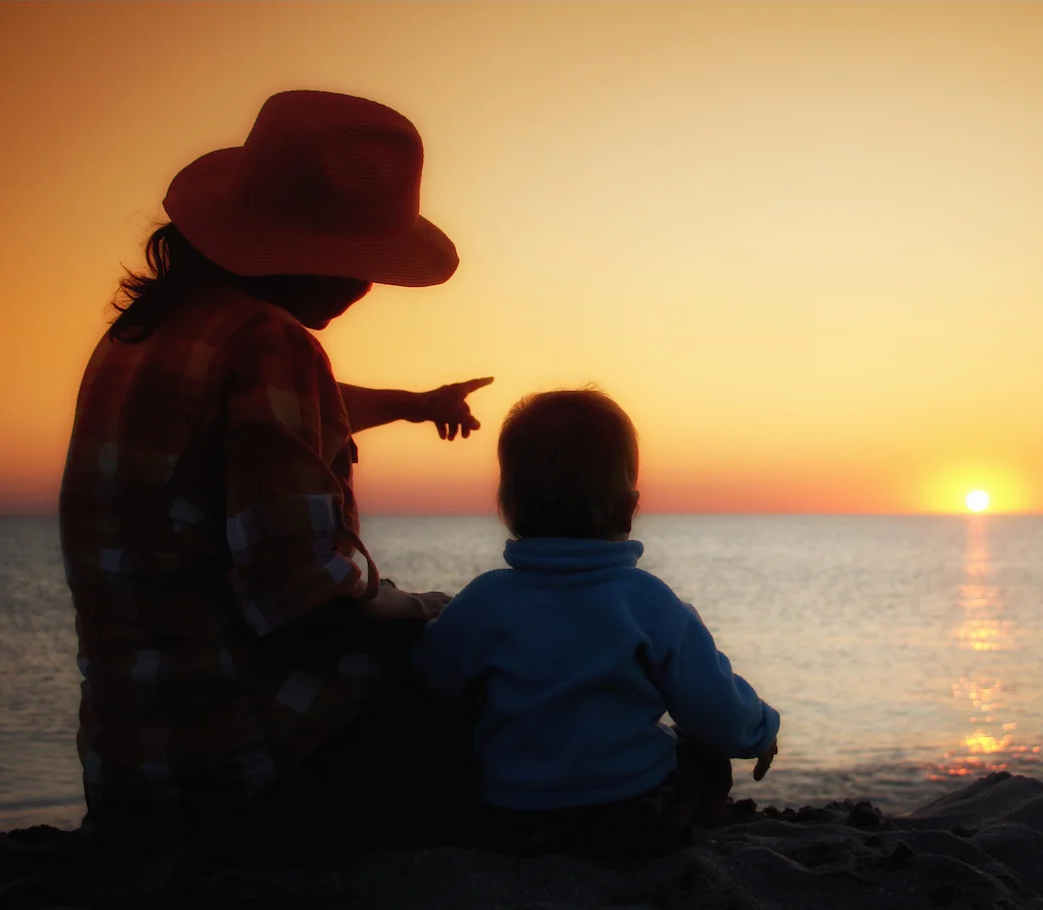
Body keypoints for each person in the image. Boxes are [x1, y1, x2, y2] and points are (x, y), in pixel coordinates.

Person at [59, 90, 490, 846]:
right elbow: (303, 612)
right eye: (356, 262)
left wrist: (413, 403)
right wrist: (435, 612)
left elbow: (273, 423)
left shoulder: (141, 338)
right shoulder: (271, 344)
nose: (364, 286)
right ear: (297, 253)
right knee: (494, 668)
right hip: (241, 773)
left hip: (130, 774)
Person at [412, 390, 780, 858]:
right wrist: (762, 730)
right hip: (628, 816)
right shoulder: (649, 601)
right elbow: (716, 707)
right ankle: (696, 829)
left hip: (507, 818)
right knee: (705, 756)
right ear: (629, 508)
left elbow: (432, 674)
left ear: (508, 508)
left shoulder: (484, 598)